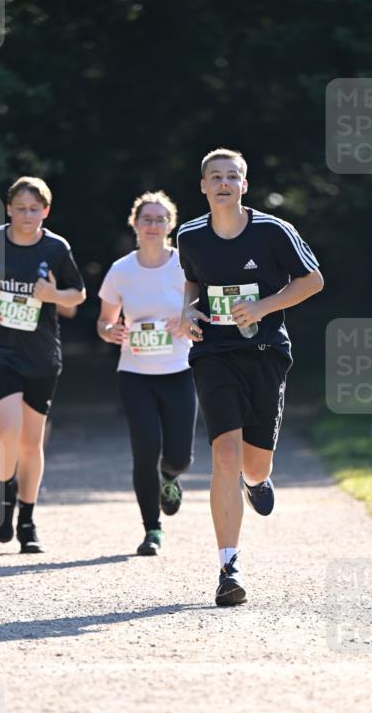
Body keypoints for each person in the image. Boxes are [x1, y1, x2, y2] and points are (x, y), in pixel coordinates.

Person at [176, 148, 324, 606]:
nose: (223, 183)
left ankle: (256, 482)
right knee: (224, 454)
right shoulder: (190, 236)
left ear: (245, 184)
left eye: (232, 177)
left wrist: (261, 307)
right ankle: (228, 567)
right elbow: (193, 282)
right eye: (215, 177)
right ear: (203, 186)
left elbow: (313, 280)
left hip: (264, 352)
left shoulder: (274, 231)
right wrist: (186, 310)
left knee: (254, 463)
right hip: (214, 352)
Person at [0, 176, 86, 553]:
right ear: (8, 208)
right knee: (6, 431)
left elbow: (77, 294)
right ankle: (5, 494)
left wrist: (52, 294)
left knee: (31, 441)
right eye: (20, 208)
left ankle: (27, 521)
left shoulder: (56, 247)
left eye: (35, 209)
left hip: (42, 354)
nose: (27, 215)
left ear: (46, 211)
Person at [97, 191, 197, 555]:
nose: (153, 225)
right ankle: (152, 530)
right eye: (146, 219)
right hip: (135, 374)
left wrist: (188, 320)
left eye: (160, 219)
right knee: (144, 451)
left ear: (170, 225)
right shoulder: (121, 270)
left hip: (179, 370)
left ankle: (170, 477)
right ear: (135, 224)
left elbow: (202, 310)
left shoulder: (185, 265)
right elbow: (104, 322)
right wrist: (110, 332)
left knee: (180, 456)